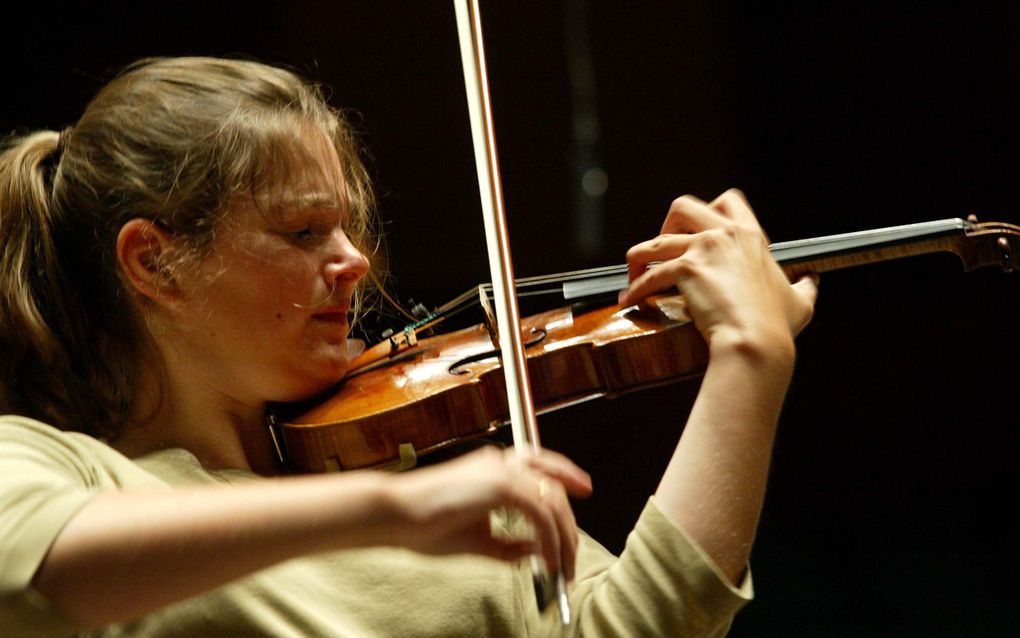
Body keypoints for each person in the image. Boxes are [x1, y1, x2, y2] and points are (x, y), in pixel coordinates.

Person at [0, 56, 817, 637]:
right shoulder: (54, 465)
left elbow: (644, 625)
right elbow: (39, 572)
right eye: (302, 231)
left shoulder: (442, 498)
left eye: (345, 227)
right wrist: (390, 513)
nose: (354, 260)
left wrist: (750, 357)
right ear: (156, 264)